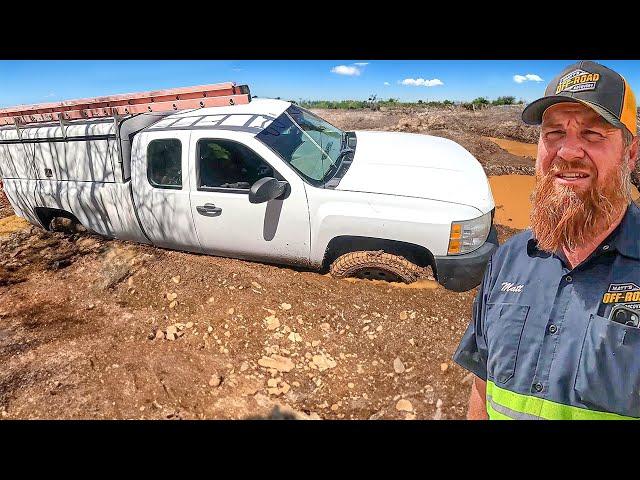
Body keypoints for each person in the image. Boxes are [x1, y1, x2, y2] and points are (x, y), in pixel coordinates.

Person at [453, 60, 640, 420]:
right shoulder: (507, 262)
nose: (568, 152)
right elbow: (483, 388)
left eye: (592, 134)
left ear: (631, 154)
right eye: (554, 133)